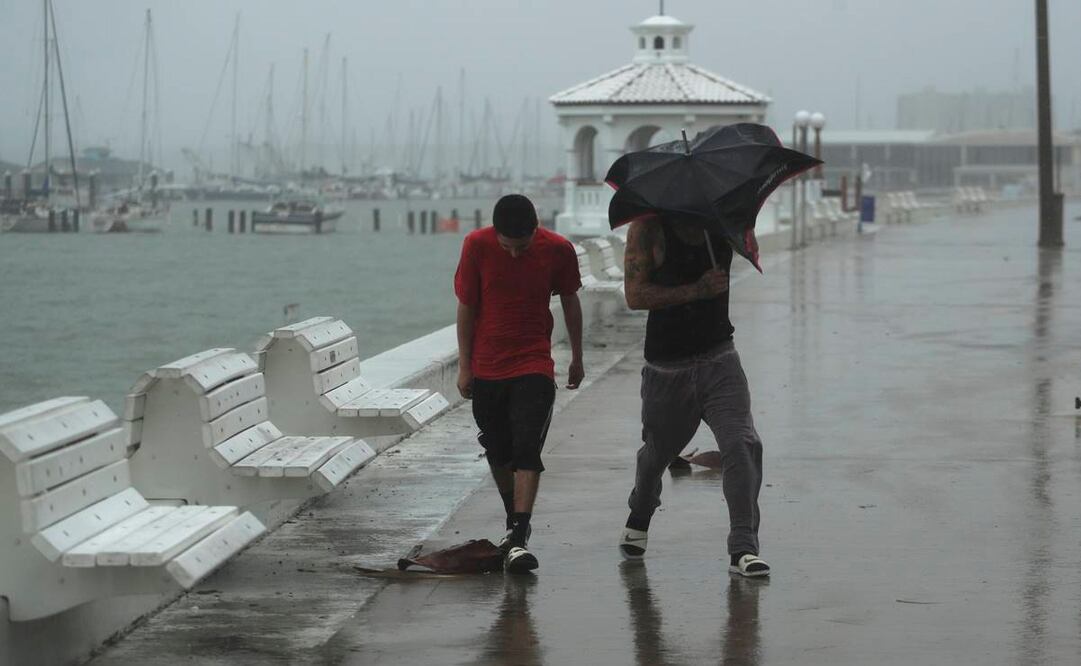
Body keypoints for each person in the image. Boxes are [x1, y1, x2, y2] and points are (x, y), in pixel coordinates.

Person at [617, 214, 769, 577]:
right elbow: (635, 296)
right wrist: (696, 290)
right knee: (657, 454)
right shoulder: (648, 228)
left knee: (742, 443)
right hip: (667, 368)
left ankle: (743, 547)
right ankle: (641, 508)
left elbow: (752, 252)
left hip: (720, 357)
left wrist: (743, 237)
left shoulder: (723, 220)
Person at [454, 194, 584, 574]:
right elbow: (466, 307)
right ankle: (514, 523)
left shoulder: (558, 249)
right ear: (495, 233)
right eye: (507, 247)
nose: (513, 255)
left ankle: (519, 535)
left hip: (534, 363)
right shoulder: (476, 245)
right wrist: (465, 366)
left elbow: (571, 300)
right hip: (487, 366)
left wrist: (577, 355)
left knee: (528, 447)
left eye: (522, 247)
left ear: (536, 229)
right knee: (498, 450)